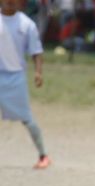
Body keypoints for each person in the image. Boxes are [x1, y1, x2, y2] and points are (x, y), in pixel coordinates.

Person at [0, 0, 51, 169]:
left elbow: (36, 51)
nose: (10, 1)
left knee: (26, 119)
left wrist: (38, 72)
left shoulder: (27, 24)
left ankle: (43, 155)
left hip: (16, 77)